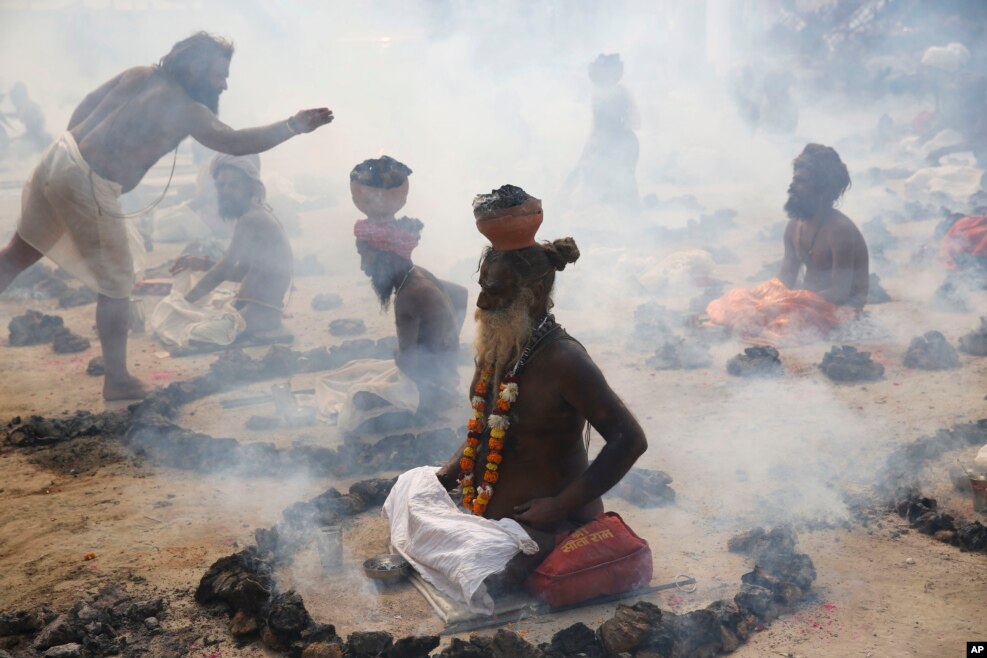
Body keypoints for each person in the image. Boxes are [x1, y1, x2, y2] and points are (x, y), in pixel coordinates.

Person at [0, 32, 333, 400]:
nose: (224, 85)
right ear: (194, 66)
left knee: (16, 255)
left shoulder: (139, 74)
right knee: (117, 284)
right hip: (87, 183)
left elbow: (88, 105)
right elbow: (235, 142)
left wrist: (76, 156)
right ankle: (118, 380)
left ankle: (119, 378)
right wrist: (293, 126)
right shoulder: (186, 110)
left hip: (59, 157)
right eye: (218, 74)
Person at [385, 185, 648, 608]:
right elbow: (486, 430)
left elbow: (630, 440)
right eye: (482, 288)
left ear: (535, 296)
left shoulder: (564, 359)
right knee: (407, 490)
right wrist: (447, 477)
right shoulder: (497, 345)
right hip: (485, 509)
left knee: (477, 566)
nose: (483, 303)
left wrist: (560, 504)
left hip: (543, 528)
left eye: (496, 292)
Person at [316, 158, 466, 433]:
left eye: (366, 258)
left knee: (356, 402)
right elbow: (460, 295)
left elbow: (408, 362)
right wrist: (446, 346)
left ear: (386, 256)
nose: (363, 267)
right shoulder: (420, 274)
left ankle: (425, 408)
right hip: (444, 379)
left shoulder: (409, 295)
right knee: (357, 369)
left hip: (428, 392)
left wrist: (417, 355)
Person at [154, 153, 292, 343]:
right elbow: (238, 273)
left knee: (189, 332)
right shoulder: (251, 216)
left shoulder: (251, 219)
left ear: (250, 187)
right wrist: (199, 264)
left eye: (233, 185)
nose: (225, 190)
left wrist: (185, 303)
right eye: (220, 185)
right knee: (187, 322)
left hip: (261, 313)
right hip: (252, 308)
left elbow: (224, 269)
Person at [778, 144, 869, 308]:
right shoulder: (793, 227)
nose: (792, 186)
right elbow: (785, 280)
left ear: (823, 191)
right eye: (794, 179)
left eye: (801, 181)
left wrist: (795, 303)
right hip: (806, 310)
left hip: (844, 318)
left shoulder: (840, 232)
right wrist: (768, 300)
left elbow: (840, 293)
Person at [7, 82, 52, 153]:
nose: (13, 103)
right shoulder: (29, 106)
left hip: (40, 142)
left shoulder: (29, 108)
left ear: (20, 97)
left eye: (14, 99)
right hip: (38, 138)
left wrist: (18, 138)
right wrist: (6, 115)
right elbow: (18, 114)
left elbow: (35, 133)